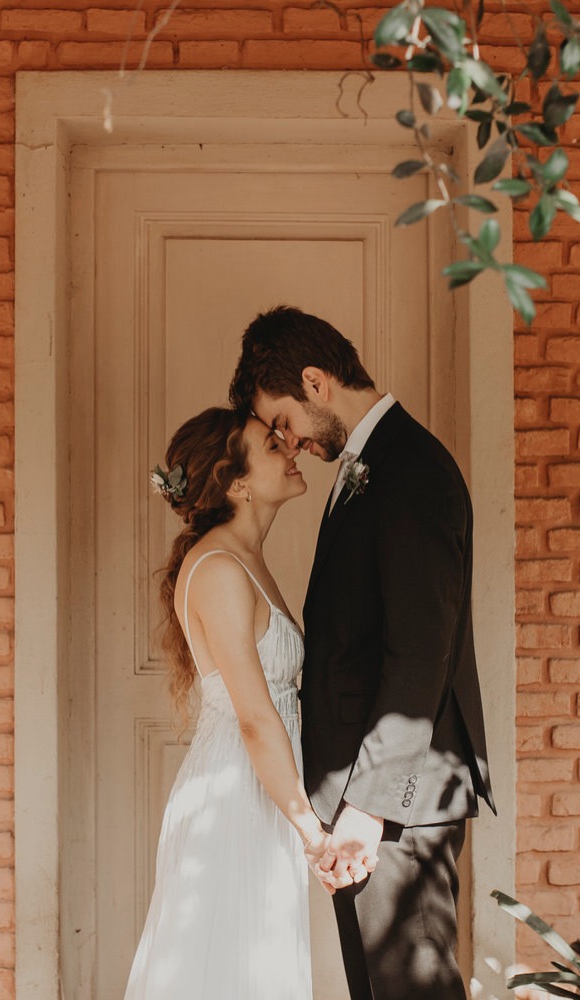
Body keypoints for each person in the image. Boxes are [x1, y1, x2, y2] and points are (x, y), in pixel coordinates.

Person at [230, 306, 494, 1000]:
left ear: (316, 383)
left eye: (284, 420)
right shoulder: (370, 465)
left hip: (398, 804)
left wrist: (370, 807)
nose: (288, 441)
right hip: (369, 800)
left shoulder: (412, 469)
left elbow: (420, 653)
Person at [124, 406, 351, 1000]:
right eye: (272, 446)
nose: (292, 448)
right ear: (237, 484)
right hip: (235, 795)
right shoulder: (220, 569)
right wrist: (313, 834)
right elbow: (253, 718)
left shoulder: (241, 558)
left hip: (262, 788)